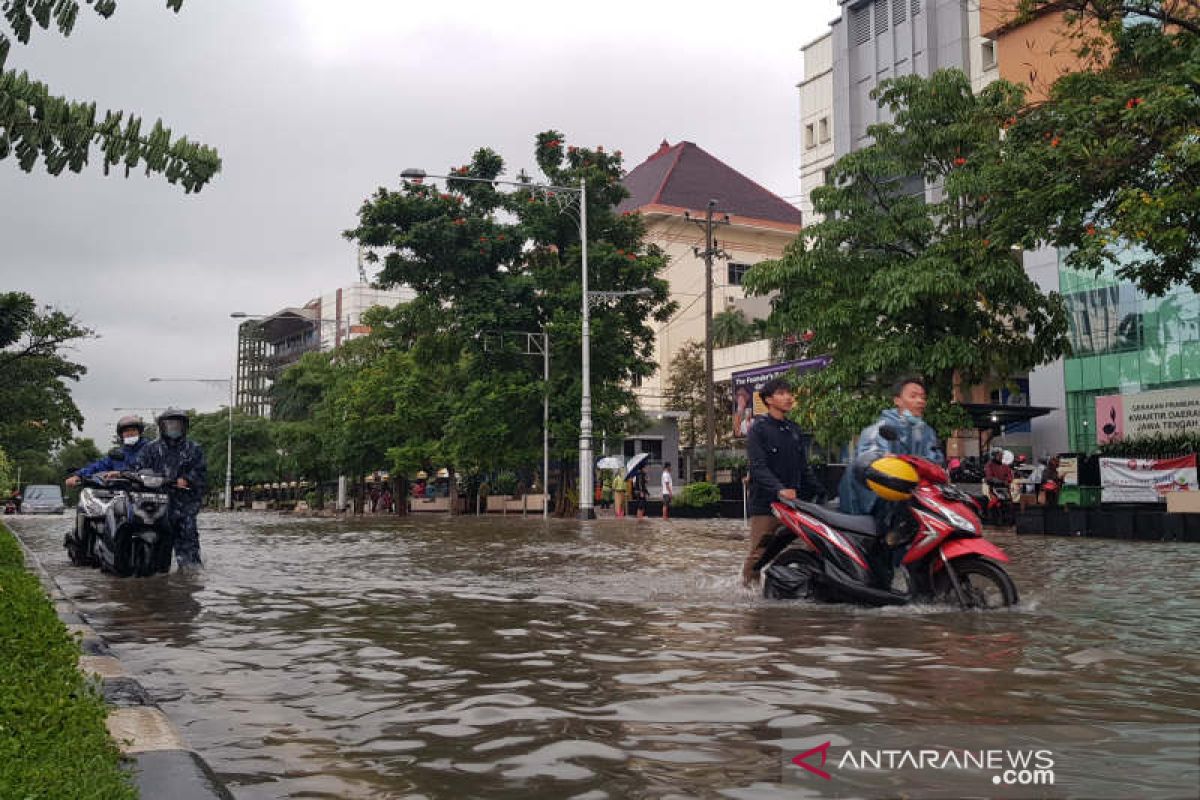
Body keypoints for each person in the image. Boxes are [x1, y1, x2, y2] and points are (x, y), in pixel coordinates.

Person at [838, 377, 944, 588]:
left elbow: (936, 461)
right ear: (897, 400)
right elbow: (869, 460)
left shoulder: (926, 431)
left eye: (922, 397)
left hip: (910, 497)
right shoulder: (880, 428)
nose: (920, 401)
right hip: (869, 497)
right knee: (873, 545)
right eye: (913, 396)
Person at [744, 377, 822, 587]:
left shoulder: (794, 430)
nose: (788, 397)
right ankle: (748, 594)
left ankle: (791, 589)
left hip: (794, 504)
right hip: (767, 504)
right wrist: (780, 489)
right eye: (781, 393)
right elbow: (758, 468)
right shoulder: (758, 429)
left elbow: (803, 467)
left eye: (789, 393)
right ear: (768, 400)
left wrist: (821, 492)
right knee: (760, 553)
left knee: (807, 548)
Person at [137, 408, 207, 571]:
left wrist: (187, 479)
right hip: (156, 504)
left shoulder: (194, 449)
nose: (173, 428)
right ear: (162, 426)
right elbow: (138, 470)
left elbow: (201, 471)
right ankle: (154, 575)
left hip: (185, 505)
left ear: (184, 426)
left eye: (177, 424)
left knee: (188, 543)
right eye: (169, 424)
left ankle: (190, 574)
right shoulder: (150, 449)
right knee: (155, 541)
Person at [65, 415, 149, 488]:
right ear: (121, 435)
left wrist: (122, 474)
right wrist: (78, 476)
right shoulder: (117, 454)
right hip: (120, 497)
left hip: (148, 496)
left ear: (139, 432)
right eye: (126, 431)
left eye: (133, 430)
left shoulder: (150, 450)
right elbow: (98, 466)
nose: (130, 433)